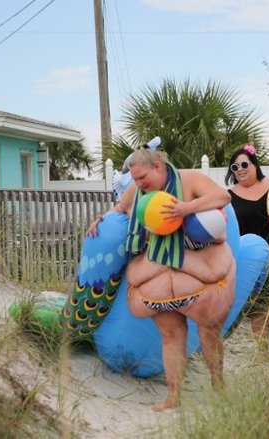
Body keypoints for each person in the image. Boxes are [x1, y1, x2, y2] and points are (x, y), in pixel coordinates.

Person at [86, 147, 233, 412]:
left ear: (158, 166)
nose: (139, 184)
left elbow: (222, 196)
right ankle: (173, 395)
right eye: (135, 179)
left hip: (200, 271)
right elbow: (119, 208)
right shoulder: (138, 191)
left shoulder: (189, 179)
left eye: (143, 177)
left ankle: (218, 385)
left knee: (209, 331)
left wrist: (186, 208)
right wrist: (100, 219)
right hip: (158, 272)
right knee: (170, 333)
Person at [225, 144, 269, 359]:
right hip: (252, 257)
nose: (240, 169)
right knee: (260, 303)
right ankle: (263, 349)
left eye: (245, 164)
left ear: (255, 164)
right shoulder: (228, 196)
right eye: (235, 167)